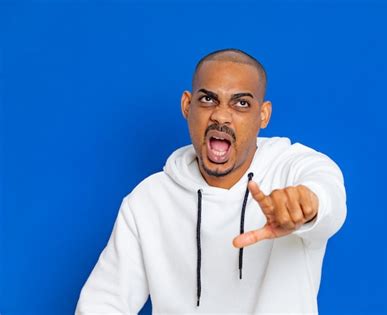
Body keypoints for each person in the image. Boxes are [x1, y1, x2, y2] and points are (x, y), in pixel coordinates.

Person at [75, 48, 347, 314]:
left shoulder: (292, 168)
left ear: (263, 115)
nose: (221, 115)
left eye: (241, 103)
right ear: (186, 105)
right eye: (208, 100)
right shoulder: (148, 200)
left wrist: (306, 206)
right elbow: (102, 303)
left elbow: (328, 195)